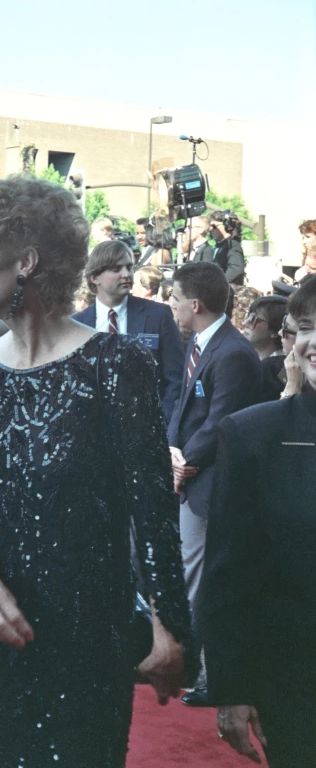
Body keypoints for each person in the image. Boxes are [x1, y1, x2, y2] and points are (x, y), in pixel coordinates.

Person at [0, 174, 193, 768]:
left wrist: (169, 624)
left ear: (25, 261)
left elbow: (152, 508)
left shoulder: (118, 366)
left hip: (84, 645)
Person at [201, 275, 316, 767]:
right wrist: (232, 685)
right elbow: (230, 572)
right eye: (307, 327)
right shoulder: (254, 435)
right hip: (295, 686)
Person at [167, 262, 262, 707]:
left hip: (212, 487)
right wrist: (171, 452)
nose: (171, 305)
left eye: (174, 298)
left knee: (200, 581)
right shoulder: (201, 344)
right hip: (190, 477)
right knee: (188, 577)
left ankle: (200, 671)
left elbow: (222, 419)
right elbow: (184, 409)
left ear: (195, 304)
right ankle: (189, 665)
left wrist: (185, 462)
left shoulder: (233, 353)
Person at [73, 240, 184, 424]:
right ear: (95, 277)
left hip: (148, 430)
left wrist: (161, 426)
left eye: (129, 267)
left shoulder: (157, 315)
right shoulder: (78, 324)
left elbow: (176, 379)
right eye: (116, 269)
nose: (126, 274)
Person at [243, 295, 287, 401]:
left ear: (276, 331)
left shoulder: (272, 370)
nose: (245, 323)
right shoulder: (262, 362)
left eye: (254, 319)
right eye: (248, 316)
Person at [208, 211, 246, 285]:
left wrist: (218, 285)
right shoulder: (219, 246)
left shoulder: (232, 245)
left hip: (229, 292)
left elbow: (236, 269)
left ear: (228, 226)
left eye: (214, 226)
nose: (210, 229)